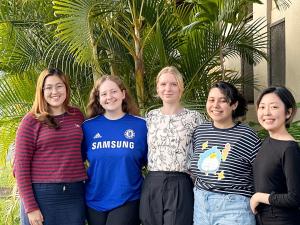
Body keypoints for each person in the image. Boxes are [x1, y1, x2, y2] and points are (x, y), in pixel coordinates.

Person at [14, 68, 87, 225]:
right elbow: (20, 167)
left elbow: (80, 152)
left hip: (74, 194)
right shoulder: (31, 121)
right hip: (41, 196)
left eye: (59, 86)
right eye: (48, 87)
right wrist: (31, 207)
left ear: (66, 88)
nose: (55, 92)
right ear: (41, 91)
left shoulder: (77, 115)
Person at [139, 66, 205, 225]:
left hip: (180, 182)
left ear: (181, 88)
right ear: (157, 88)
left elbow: (203, 152)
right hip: (153, 181)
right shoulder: (150, 116)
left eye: (173, 84)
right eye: (163, 84)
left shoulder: (194, 118)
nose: (168, 88)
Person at [190, 81, 261, 225]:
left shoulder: (247, 135)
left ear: (234, 105)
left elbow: (262, 173)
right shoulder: (200, 131)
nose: (215, 105)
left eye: (223, 101)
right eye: (211, 100)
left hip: (234, 208)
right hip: (201, 207)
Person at [82, 75, 147, 225]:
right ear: (98, 99)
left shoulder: (141, 126)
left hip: (128, 197)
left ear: (123, 94)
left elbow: (150, 161)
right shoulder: (88, 127)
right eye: (104, 94)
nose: (109, 97)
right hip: (94, 199)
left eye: (114, 92)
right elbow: (78, 161)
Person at [250, 86, 300, 225]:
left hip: (282, 220)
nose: (266, 112)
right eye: (262, 107)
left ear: (288, 112)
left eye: (274, 107)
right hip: (263, 219)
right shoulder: (267, 141)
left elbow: (295, 197)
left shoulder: (289, 149)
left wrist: (259, 197)